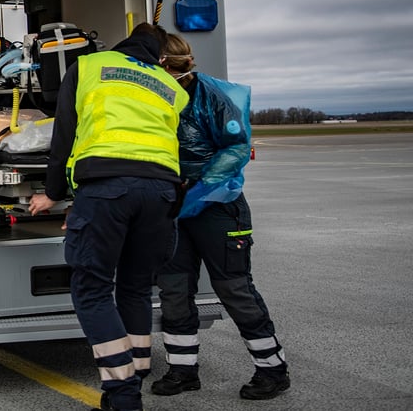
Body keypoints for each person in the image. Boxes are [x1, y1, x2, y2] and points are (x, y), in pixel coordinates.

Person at [29, 22, 188, 411]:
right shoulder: (172, 87)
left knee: (92, 290)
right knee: (135, 288)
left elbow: (64, 135)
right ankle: (138, 368)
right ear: (160, 56)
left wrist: (52, 194)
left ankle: (122, 394)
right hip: (161, 193)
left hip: (106, 189)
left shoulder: (87, 66)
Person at [150, 34, 290, 401]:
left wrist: (196, 189)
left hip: (217, 207)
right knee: (174, 290)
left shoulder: (211, 96)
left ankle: (272, 370)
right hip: (175, 209)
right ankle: (182, 370)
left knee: (234, 287)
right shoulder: (153, 96)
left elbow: (237, 147)